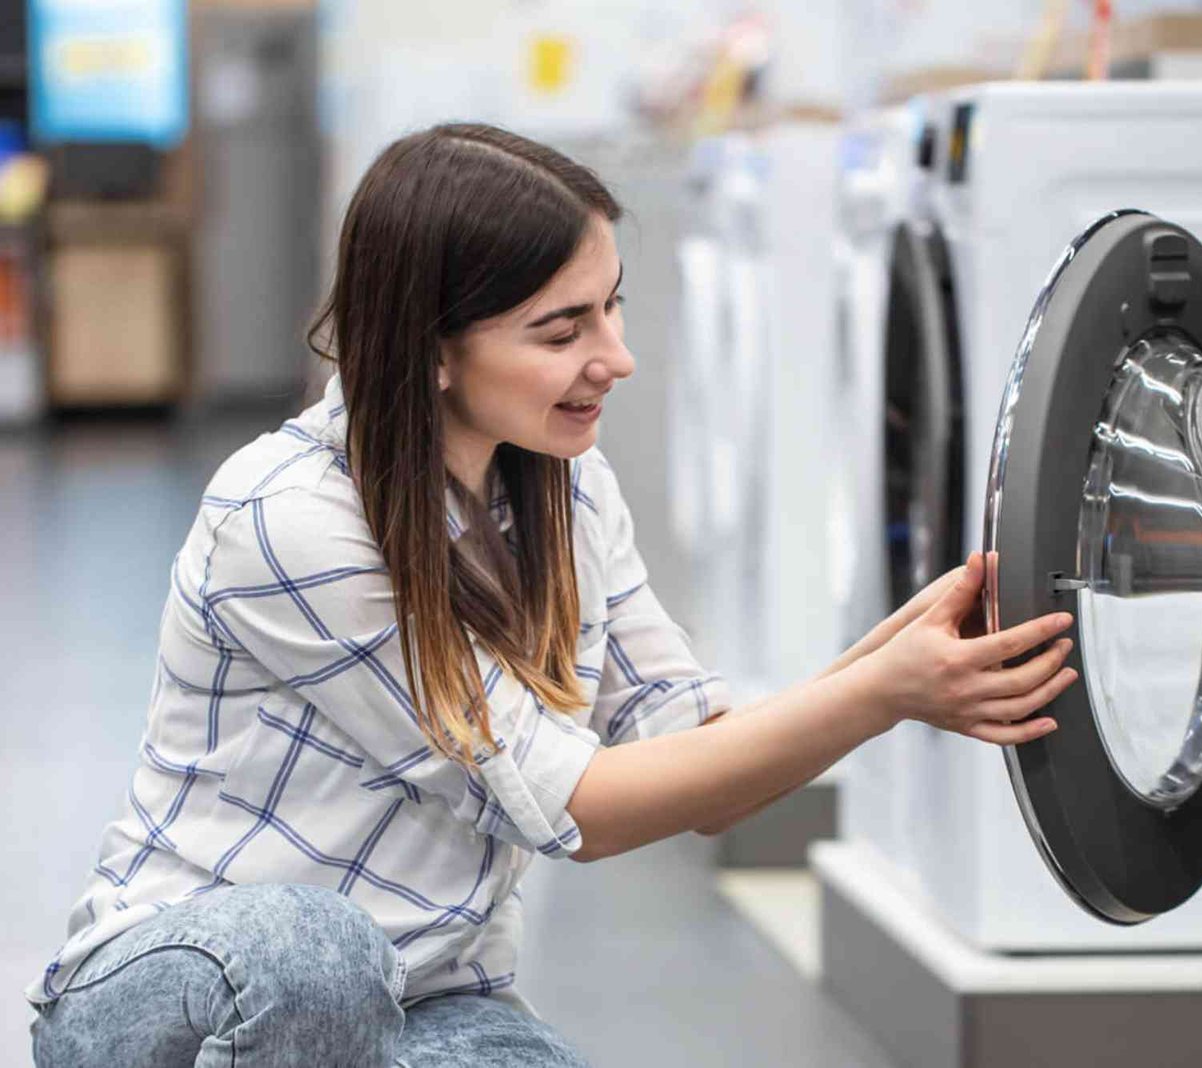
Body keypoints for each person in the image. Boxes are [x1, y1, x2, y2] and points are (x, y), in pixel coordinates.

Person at [26, 124, 1077, 1067]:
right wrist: (881, 693)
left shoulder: (567, 492)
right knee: (315, 951)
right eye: (561, 329)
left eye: (612, 306)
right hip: (177, 991)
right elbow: (579, 810)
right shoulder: (291, 517)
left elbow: (699, 767)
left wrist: (890, 661)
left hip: (423, 997)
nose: (614, 358)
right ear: (433, 348)